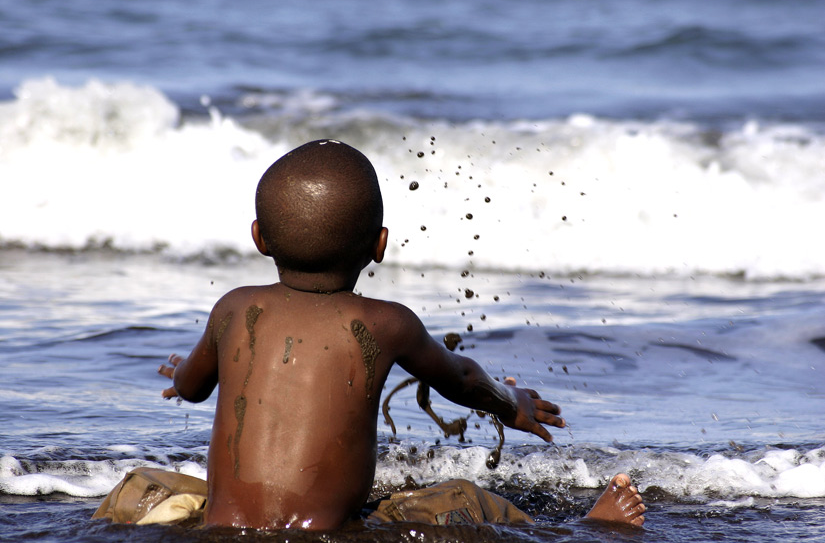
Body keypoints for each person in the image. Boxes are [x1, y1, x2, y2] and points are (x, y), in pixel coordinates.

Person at [93, 139, 645, 530]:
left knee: (138, 484)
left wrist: (179, 378)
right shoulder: (385, 323)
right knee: (467, 501)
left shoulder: (234, 309)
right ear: (380, 245)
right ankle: (590, 527)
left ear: (259, 238)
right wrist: (511, 403)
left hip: (226, 525)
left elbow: (192, 387)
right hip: (327, 531)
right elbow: (459, 379)